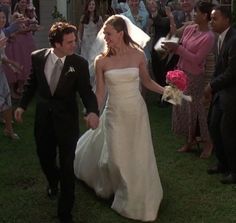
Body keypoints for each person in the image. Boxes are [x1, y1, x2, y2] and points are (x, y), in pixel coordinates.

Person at [74, 15, 163, 222]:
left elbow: (147, 82)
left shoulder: (138, 55)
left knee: (137, 152)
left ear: (121, 33)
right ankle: (115, 184)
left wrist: (166, 91)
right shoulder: (102, 61)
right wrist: (92, 110)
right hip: (115, 112)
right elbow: (100, 93)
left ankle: (133, 194)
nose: (105, 37)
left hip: (136, 111)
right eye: (104, 34)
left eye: (109, 34)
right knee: (116, 157)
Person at [14, 21, 99, 223]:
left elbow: (86, 92)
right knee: (45, 157)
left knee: (68, 165)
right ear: (57, 44)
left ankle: (65, 211)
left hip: (67, 120)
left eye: (74, 41)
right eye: (69, 42)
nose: (74, 45)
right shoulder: (38, 57)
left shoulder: (78, 64)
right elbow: (31, 83)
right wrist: (22, 105)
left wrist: (93, 111)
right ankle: (53, 181)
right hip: (43, 119)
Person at [162, 0, 215, 158]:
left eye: (197, 12)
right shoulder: (190, 28)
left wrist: (178, 48)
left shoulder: (209, 37)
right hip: (180, 72)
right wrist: (170, 46)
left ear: (205, 16)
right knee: (179, 107)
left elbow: (197, 59)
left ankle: (208, 143)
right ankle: (189, 140)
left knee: (196, 110)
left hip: (194, 76)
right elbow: (177, 41)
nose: (194, 14)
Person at [205, 6, 236, 184]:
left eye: (215, 18)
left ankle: (234, 170)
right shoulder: (221, 38)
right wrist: (213, 87)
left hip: (232, 95)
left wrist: (210, 85)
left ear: (226, 20)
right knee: (214, 125)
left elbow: (232, 72)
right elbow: (219, 68)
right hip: (221, 93)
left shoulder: (234, 40)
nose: (211, 22)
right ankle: (222, 164)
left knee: (228, 132)